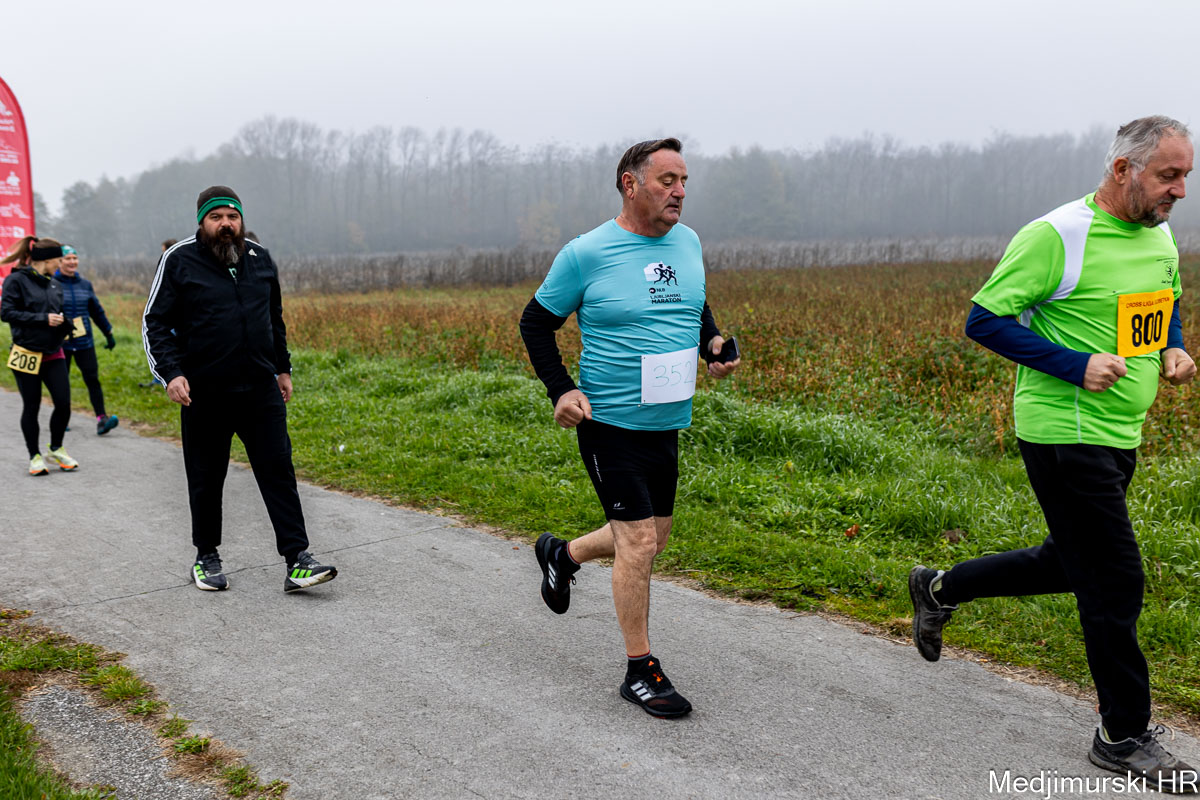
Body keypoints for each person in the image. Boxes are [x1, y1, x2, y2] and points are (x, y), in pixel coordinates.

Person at [909, 116, 1198, 792]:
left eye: (1186, 176)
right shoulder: (1057, 235)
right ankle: (1123, 735)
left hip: (1121, 431)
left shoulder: (1158, 233)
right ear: (1123, 169)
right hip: (1064, 432)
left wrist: (1173, 348)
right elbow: (984, 319)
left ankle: (940, 587)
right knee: (1116, 580)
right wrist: (1074, 364)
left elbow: (1164, 304)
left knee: (1071, 563)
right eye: (1169, 175)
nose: (1181, 190)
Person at [520, 138, 740, 719]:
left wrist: (713, 344)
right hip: (609, 422)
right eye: (668, 180)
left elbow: (693, 306)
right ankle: (640, 671)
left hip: (666, 423)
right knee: (639, 544)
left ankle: (562, 555)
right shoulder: (587, 252)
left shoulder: (688, 243)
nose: (680, 192)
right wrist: (562, 390)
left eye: (684, 181)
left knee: (651, 539)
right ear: (630, 183)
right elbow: (535, 323)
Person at [142, 186, 337, 593]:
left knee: (278, 471)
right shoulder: (178, 259)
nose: (226, 224)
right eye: (217, 217)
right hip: (204, 392)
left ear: (241, 219)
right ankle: (206, 556)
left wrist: (282, 368)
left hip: (260, 390)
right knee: (206, 477)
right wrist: (170, 373)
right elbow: (154, 322)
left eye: (232, 216)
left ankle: (297, 559)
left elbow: (274, 318)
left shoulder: (259, 258)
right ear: (202, 222)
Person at [1, 236, 79, 475]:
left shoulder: (54, 284)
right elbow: (6, 313)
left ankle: (56, 448)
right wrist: (42, 319)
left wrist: (64, 325)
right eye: (59, 260)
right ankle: (34, 456)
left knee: (63, 404)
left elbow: (56, 313)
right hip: (26, 353)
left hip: (53, 352)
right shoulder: (16, 280)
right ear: (46, 260)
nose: (61, 264)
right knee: (31, 406)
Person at [56, 245, 119, 435]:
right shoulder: (51, 284)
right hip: (61, 343)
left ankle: (102, 419)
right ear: (59, 261)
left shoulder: (85, 284)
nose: (72, 262)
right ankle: (61, 418)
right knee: (61, 382)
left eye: (75, 258)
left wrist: (108, 333)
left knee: (92, 380)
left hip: (85, 342)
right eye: (68, 258)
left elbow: (96, 311)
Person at [139, 239, 179, 389]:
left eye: (164, 250)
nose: (162, 254)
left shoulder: (175, 262)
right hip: (168, 315)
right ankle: (162, 378)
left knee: (169, 345)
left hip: (175, 317)